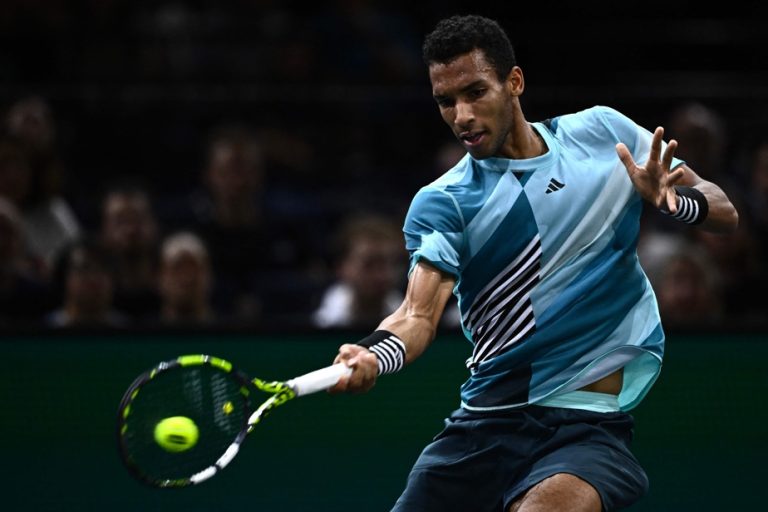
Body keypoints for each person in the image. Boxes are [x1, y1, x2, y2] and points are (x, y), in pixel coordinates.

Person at [328, 15, 738, 512]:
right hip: (484, 427)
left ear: (514, 82)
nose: (461, 115)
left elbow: (724, 211)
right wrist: (374, 352)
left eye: (475, 92)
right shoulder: (444, 202)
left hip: (586, 428)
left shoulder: (604, 135)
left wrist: (676, 201)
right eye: (445, 101)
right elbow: (417, 315)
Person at [312, 214, 407, 329]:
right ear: (341, 267)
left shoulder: (411, 324)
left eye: (390, 264)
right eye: (369, 264)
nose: (381, 276)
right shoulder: (317, 327)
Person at [156, 231, 215, 326]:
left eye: (194, 269)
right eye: (177, 269)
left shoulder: (232, 335)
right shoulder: (141, 336)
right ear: (161, 277)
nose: (187, 278)